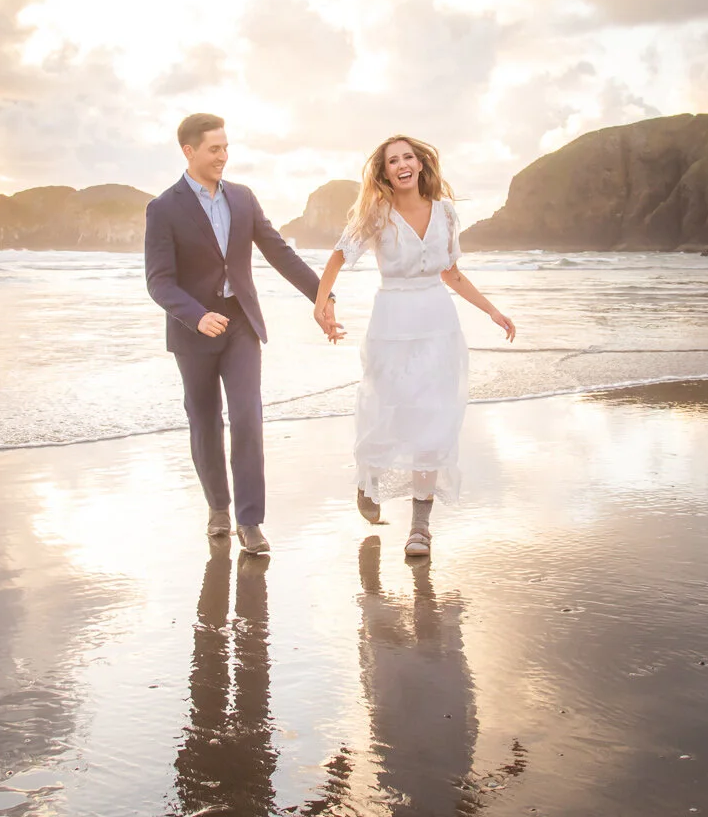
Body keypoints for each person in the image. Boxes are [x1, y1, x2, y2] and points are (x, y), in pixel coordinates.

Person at [313, 136, 514, 556]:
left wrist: (492, 311)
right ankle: (368, 482)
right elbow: (338, 257)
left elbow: (452, 273)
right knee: (385, 411)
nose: (402, 164)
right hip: (391, 324)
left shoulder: (445, 213)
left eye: (408, 157)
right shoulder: (376, 214)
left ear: (420, 164)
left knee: (434, 422)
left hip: (439, 326)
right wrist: (322, 305)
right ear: (384, 172)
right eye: (392, 160)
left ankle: (419, 528)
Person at [145, 113, 327, 555]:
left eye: (226, 147)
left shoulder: (243, 199)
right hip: (195, 332)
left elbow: (279, 253)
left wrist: (322, 297)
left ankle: (250, 522)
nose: (224, 156)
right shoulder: (164, 208)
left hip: (242, 322)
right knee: (205, 422)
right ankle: (219, 509)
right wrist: (195, 314)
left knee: (247, 416)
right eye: (214, 149)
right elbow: (159, 280)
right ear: (189, 152)